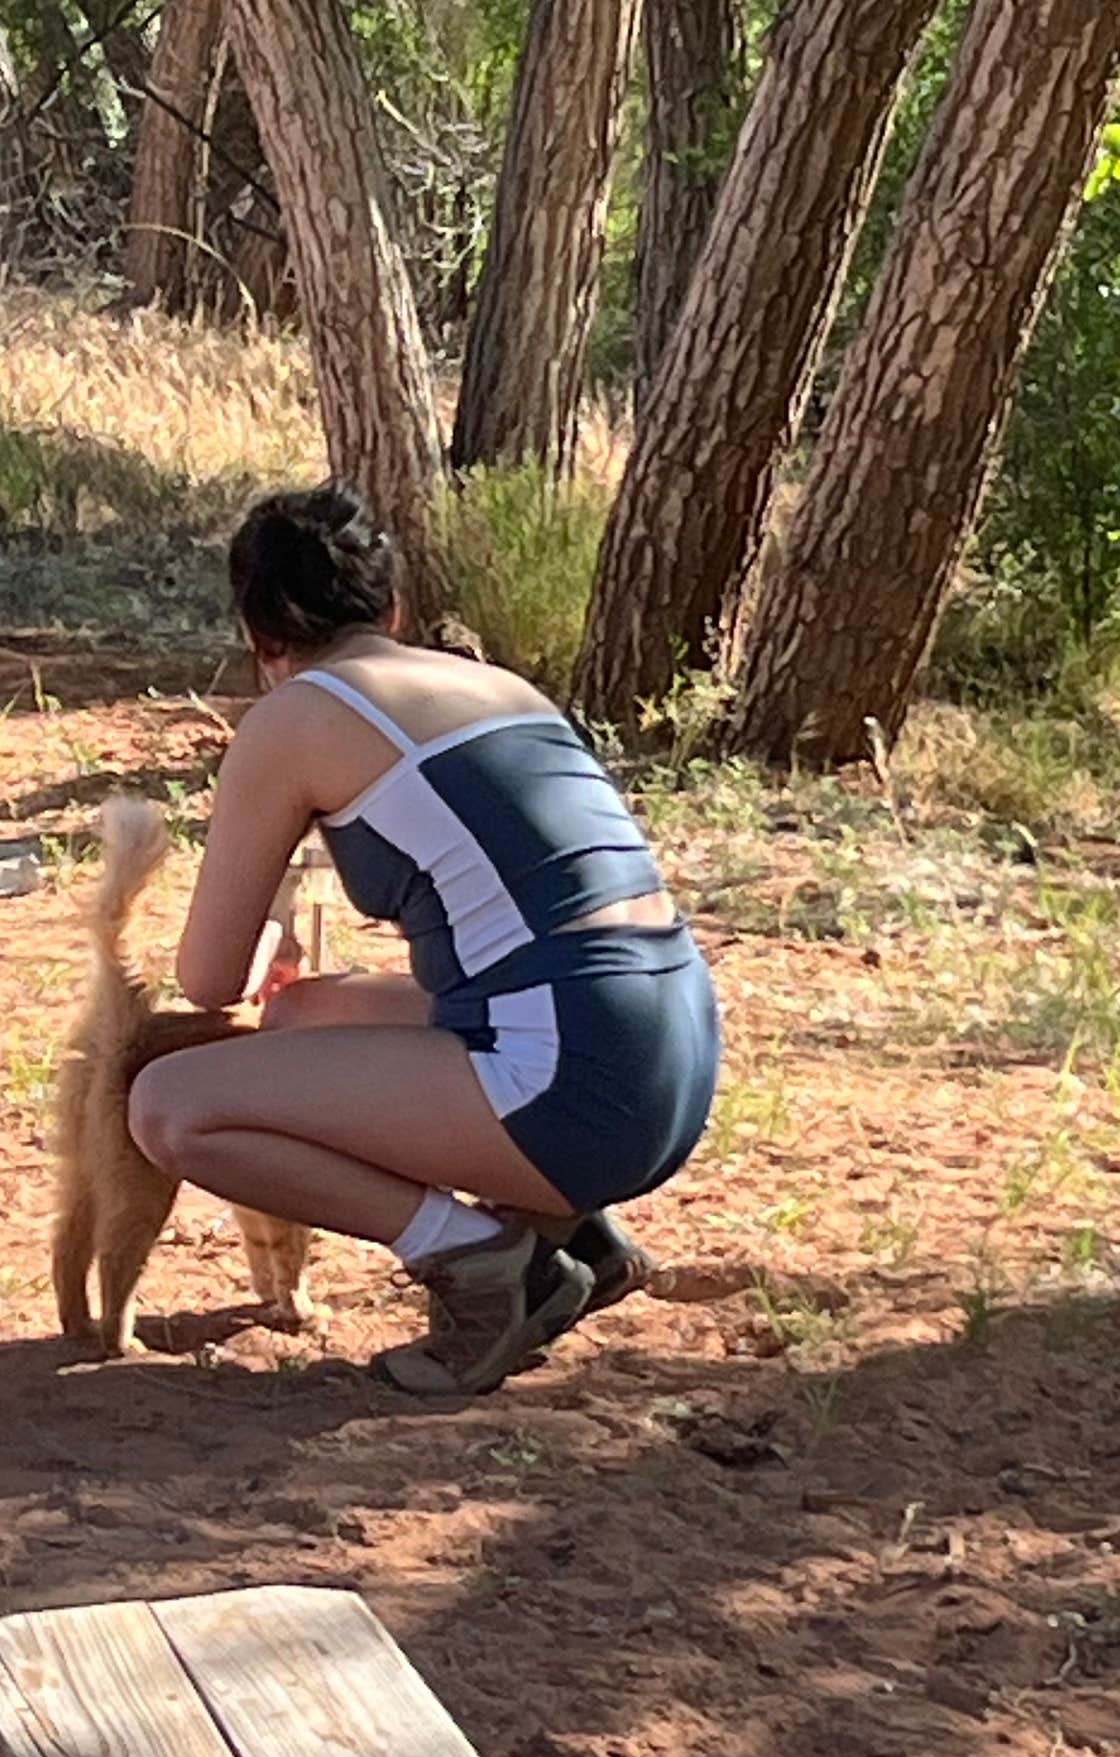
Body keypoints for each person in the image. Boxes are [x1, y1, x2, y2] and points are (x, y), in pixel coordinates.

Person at [128, 480, 719, 1398]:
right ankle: (574, 1237)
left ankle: (489, 1265)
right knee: (303, 1017)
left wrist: (273, 874)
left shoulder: (293, 717)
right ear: (393, 605)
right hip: (671, 1046)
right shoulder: (491, 683)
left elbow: (209, 979)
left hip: (575, 1080)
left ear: (256, 634)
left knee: (171, 1106)